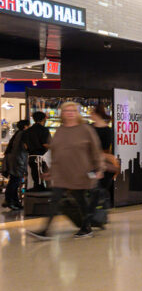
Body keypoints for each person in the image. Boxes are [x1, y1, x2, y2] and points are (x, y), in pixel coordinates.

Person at [26, 102, 104, 240]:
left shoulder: (85, 129)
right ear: (62, 113)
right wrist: (51, 171)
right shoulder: (60, 130)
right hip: (62, 173)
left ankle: (86, 227)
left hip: (80, 172)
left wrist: (99, 167)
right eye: (66, 110)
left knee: (81, 200)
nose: (69, 113)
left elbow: (95, 149)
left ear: (77, 113)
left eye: (73, 110)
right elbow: (56, 152)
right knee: (55, 199)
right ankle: (46, 230)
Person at [90, 106, 116, 228]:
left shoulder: (106, 130)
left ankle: (99, 215)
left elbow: (105, 148)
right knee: (95, 188)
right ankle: (97, 215)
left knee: (99, 189)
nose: (90, 115)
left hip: (102, 164)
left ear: (96, 114)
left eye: (92, 113)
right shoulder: (90, 128)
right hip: (92, 164)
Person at [3, 120, 30, 210]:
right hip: (18, 161)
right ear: (26, 126)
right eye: (28, 126)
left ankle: (15, 201)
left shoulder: (18, 133)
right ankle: (9, 201)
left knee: (15, 181)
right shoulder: (23, 134)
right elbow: (24, 147)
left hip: (14, 160)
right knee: (15, 182)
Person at [23, 111, 51, 191]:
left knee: (35, 178)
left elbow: (25, 146)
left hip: (31, 157)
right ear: (44, 119)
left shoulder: (27, 131)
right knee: (40, 181)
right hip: (40, 158)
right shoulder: (44, 130)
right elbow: (45, 144)